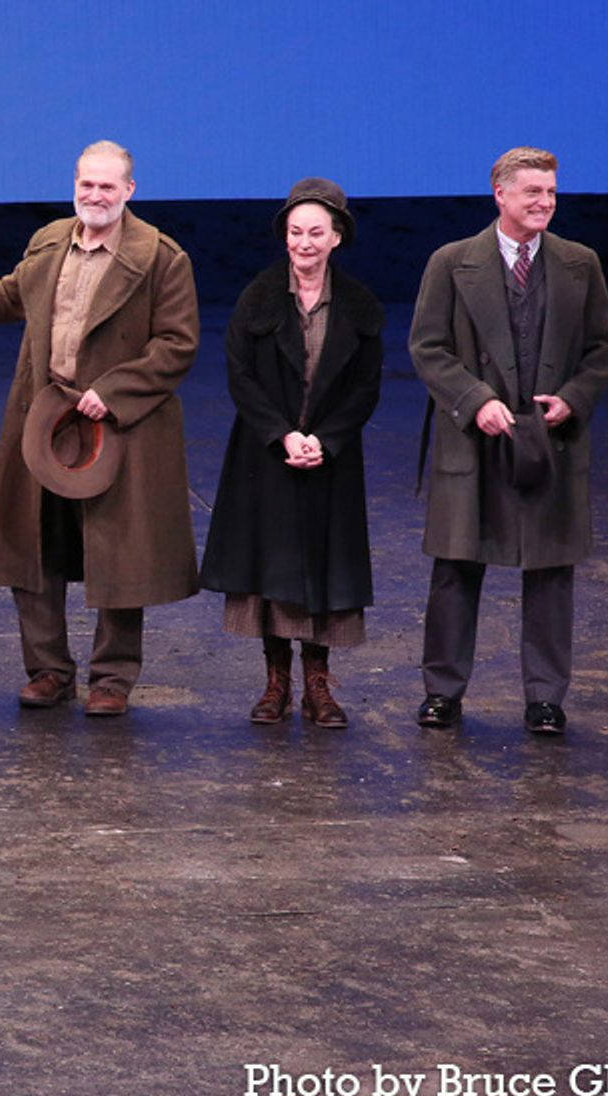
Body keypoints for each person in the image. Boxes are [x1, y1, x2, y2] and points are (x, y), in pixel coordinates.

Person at [0, 140, 200, 717]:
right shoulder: (49, 242)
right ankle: (49, 671)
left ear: (129, 190)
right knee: (34, 545)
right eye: (87, 184)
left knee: (118, 552)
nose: (95, 195)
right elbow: (5, 297)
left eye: (107, 186)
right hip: (46, 416)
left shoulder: (161, 258)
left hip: (116, 424)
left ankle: (112, 678)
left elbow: (177, 344)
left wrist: (112, 393)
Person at [411, 147, 608, 734]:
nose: (545, 202)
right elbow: (428, 347)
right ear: (499, 194)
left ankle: (545, 697)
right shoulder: (452, 262)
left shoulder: (579, 263)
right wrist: (475, 400)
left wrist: (573, 399)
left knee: (551, 570)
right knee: (457, 566)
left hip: (549, 437)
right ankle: (442, 691)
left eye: (550, 192)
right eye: (533, 192)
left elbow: (603, 347)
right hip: (475, 438)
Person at [200, 178, 383, 728]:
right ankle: (275, 683)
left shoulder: (359, 306)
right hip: (267, 455)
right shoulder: (258, 297)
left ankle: (317, 686)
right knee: (272, 567)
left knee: (324, 567)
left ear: (336, 238)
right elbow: (241, 376)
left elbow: (365, 387)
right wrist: (283, 435)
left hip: (331, 458)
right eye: (296, 232)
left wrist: (324, 440)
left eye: (316, 233)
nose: (305, 243)